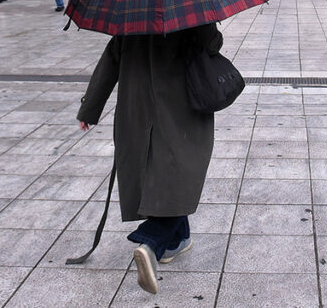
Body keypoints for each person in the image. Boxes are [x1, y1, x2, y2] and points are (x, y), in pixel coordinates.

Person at [77, 23, 223, 295]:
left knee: (165, 175)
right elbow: (212, 45)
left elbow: (112, 58)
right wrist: (208, 23)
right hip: (181, 109)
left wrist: (90, 107)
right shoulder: (191, 11)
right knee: (182, 173)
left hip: (137, 108)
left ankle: (178, 239)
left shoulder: (133, 15)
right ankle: (151, 242)